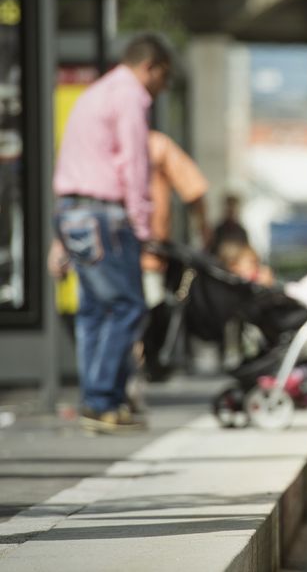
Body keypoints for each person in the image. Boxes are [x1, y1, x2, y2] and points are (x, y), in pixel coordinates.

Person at [52, 33, 171, 433]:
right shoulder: (129, 96)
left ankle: (100, 400)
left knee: (94, 310)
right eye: (162, 77)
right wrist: (141, 224)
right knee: (127, 306)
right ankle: (103, 401)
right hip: (105, 215)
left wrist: (59, 238)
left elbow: (73, 163)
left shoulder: (96, 93)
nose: (160, 88)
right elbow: (134, 164)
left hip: (72, 212)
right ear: (150, 66)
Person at [141, 130, 210, 307]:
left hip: (147, 255)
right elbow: (195, 190)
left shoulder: (155, 145)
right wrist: (204, 232)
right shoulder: (156, 145)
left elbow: (194, 189)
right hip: (140, 253)